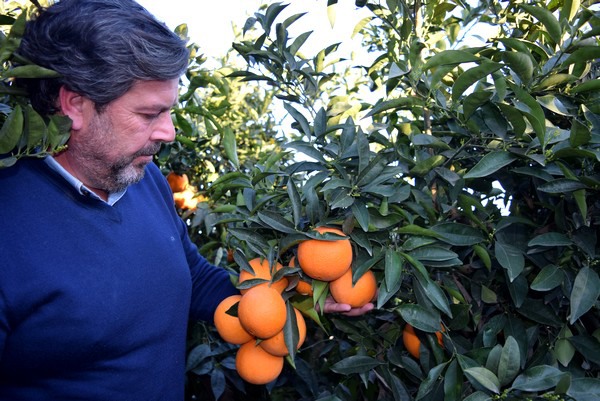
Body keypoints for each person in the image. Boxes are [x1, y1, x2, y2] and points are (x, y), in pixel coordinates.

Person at [0, 0, 372, 400]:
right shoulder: (10, 225)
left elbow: (190, 276)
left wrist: (287, 291)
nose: (169, 132)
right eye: (149, 114)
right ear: (75, 104)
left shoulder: (144, 179)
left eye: (169, 112)